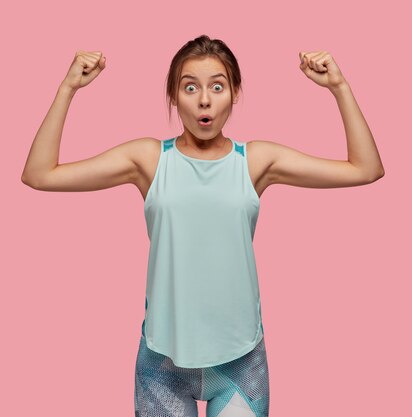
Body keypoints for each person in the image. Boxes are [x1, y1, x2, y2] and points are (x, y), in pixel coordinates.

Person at [21, 35, 384, 417]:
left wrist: (339, 87)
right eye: (190, 87)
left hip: (240, 360)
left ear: (235, 94)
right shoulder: (148, 159)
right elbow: (39, 174)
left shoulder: (255, 161)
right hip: (163, 359)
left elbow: (366, 168)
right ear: (174, 98)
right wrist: (68, 89)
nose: (204, 100)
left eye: (217, 86)